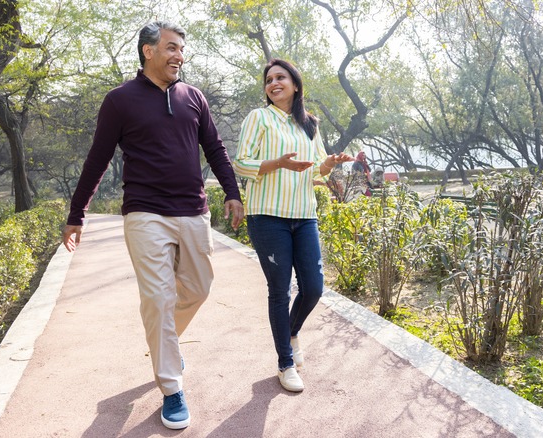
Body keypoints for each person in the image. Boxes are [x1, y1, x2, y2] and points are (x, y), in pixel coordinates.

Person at [61, 21, 244, 430]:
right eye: (172, 47)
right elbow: (98, 158)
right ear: (148, 51)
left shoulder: (194, 98)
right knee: (158, 298)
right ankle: (171, 386)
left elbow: (214, 148)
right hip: (145, 213)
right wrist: (77, 213)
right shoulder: (119, 100)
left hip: (194, 210)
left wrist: (231, 192)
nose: (180, 55)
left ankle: (167, 344)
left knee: (199, 287)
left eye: (182, 49)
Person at [232, 59, 354, 392]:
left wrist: (329, 163)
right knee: (280, 291)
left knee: (314, 287)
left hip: (304, 216)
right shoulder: (258, 118)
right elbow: (240, 164)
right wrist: (277, 164)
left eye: (280, 77)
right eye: (269, 79)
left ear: (295, 85)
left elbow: (316, 171)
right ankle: (285, 363)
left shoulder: (310, 124)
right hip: (267, 216)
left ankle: (292, 331)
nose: (273, 83)